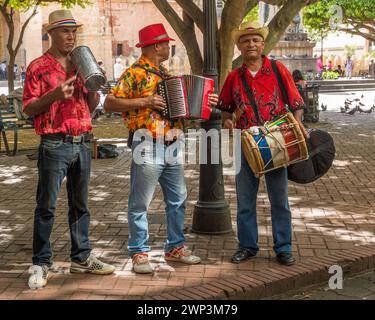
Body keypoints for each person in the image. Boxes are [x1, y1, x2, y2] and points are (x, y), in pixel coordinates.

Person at [104, 23, 218, 274]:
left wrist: (205, 104)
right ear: (157, 46)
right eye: (166, 43)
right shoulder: (134, 73)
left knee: (177, 200)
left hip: (173, 142)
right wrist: (145, 100)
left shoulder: (166, 74)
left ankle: (175, 247)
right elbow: (109, 102)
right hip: (146, 143)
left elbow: (184, 110)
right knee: (140, 202)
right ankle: (139, 252)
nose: (169, 47)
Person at [22, 9, 115, 289]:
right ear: (51, 34)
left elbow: (89, 107)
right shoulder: (38, 66)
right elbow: (28, 108)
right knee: (46, 206)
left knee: (81, 206)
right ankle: (40, 262)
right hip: (54, 143)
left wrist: (93, 87)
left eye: (74, 31)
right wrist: (53, 95)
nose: (71, 36)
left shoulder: (81, 64)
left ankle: (81, 257)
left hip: (83, 142)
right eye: (65, 31)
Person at [216, 21, 309, 266]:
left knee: (280, 200)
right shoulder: (234, 77)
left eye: (255, 40)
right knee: (245, 201)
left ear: (263, 43)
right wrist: (227, 122)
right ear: (239, 46)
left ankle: (284, 247)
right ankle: (247, 246)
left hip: (276, 142)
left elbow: (297, 103)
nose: (251, 44)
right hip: (246, 143)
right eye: (245, 41)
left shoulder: (279, 70)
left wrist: (298, 123)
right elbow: (226, 109)